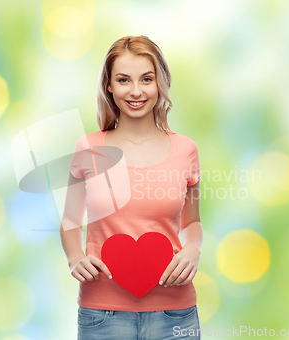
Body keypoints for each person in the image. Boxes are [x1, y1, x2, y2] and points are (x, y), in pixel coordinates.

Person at [60, 35, 203, 340]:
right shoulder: (89, 147)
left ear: (160, 83)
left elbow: (192, 222)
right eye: (124, 80)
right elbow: (71, 220)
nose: (136, 91)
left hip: (175, 313)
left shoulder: (185, 150)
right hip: (102, 315)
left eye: (146, 79)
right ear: (109, 85)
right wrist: (75, 258)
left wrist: (192, 249)